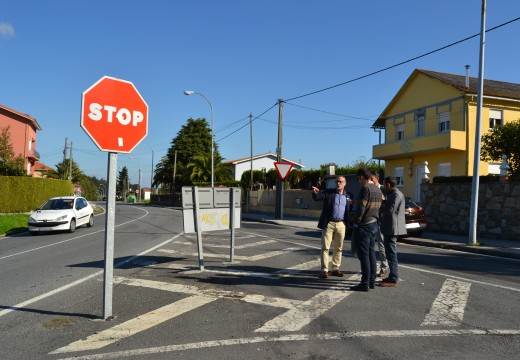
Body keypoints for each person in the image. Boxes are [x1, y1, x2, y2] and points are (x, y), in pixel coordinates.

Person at [312, 176, 351, 279]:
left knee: (339, 248)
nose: (338, 183)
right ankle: (324, 270)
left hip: (341, 224)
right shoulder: (329, 193)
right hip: (329, 223)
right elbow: (317, 198)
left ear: (345, 183)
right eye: (337, 181)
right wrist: (315, 192)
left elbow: (349, 208)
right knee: (325, 247)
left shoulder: (348, 196)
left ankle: (335, 269)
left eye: (340, 181)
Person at [350, 168, 382, 292]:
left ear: (363, 177)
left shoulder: (366, 188)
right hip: (374, 223)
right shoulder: (377, 189)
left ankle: (364, 283)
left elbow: (362, 208)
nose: (358, 181)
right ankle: (372, 281)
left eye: (358, 179)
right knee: (371, 254)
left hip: (365, 225)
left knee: (364, 256)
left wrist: (356, 221)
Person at [379, 176, 407, 287]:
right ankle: (392, 276)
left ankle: (394, 278)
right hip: (389, 228)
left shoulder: (397, 195)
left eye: (384, 184)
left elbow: (390, 211)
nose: (383, 186)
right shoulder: (392, 194)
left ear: (389, 185)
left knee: (391, 254)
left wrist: (382, 204)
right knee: (389, 253)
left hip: (392, 228)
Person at [369, 169, 389, 278]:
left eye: (372, 179)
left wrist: (383, 200)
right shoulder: (369, 189)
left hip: (380, 222)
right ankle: (371, 268)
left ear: (377, 179)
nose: (370, 181)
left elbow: (388, 206)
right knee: (370, 245)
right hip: (371, 220)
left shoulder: (383, 189)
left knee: (381, 246)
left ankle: (384, 268)